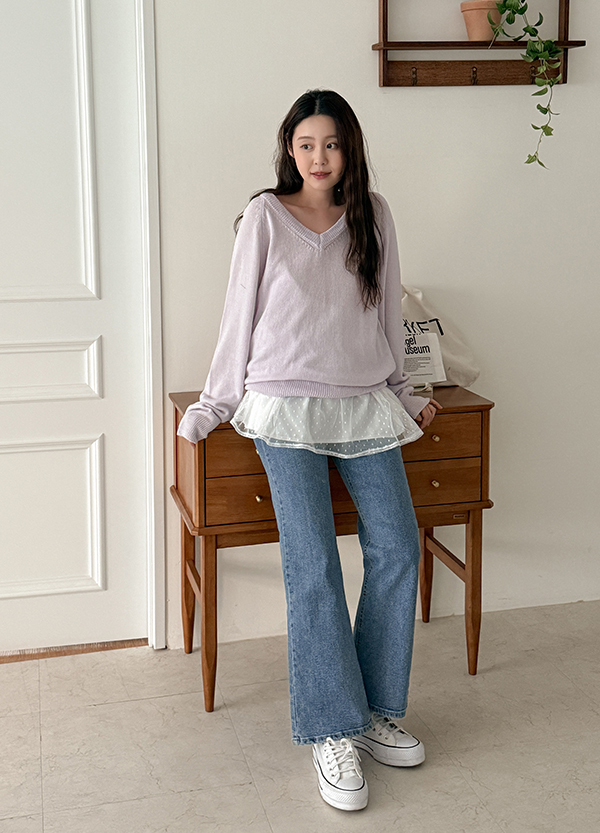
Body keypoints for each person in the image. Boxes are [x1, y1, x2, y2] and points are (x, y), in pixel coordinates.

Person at [177, 88, 442, 812]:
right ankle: (331, 728)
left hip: (363, 401)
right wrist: (215, 402)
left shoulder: (374, 215)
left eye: (330, 144)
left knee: (398, 546)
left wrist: (404, 391)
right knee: (314, 562)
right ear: (289, 149)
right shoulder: (265, 215)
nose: (318, 157)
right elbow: (239, 314)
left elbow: (385, 309)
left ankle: (374, 710)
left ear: (349, 149)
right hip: (283, 404)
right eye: (305, 144)